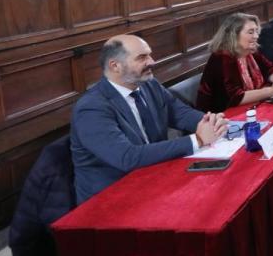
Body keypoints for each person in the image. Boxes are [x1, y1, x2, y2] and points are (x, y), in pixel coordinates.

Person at [72, 35, 227, 204]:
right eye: (142, 57)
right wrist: (198, 139)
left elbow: (179, 113)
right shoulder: (91, 108)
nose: (152, 61)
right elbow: (127, 157)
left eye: (149, 55)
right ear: (115, 66)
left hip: (154, 174)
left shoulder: (148, 84)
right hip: (112, 198)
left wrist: (211, 122)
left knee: (218, 192)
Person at [197, 13, 273, 112]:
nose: (256, 36)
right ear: (234, 35)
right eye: (251, 32)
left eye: (256, 31)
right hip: (221, 116)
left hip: (251, 107)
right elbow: (236, 97)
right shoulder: (222, 56)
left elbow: (270, 69)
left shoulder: (251, 50)